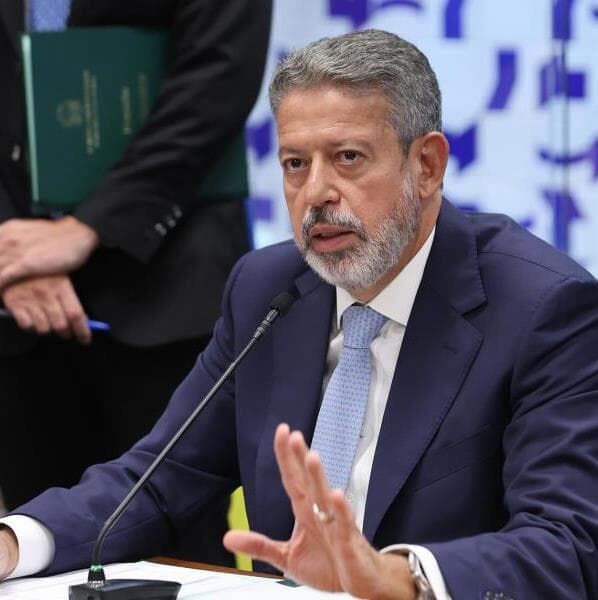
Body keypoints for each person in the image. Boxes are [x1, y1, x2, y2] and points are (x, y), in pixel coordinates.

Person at [1, 28, 598, 598]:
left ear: (427, 166)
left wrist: (395, 579)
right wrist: (12, 542)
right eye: (294, 164)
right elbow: (157, 480)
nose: (315, 193)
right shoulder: (266, 290)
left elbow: (567, 545)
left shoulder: (544, 309)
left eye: (348, 157)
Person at [0, 0, 271, 566]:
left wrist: (90, 226)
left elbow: (218, 74)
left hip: (168, 286)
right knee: (33, 543)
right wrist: (10, 253)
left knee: (181, 543)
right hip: (15, 306)